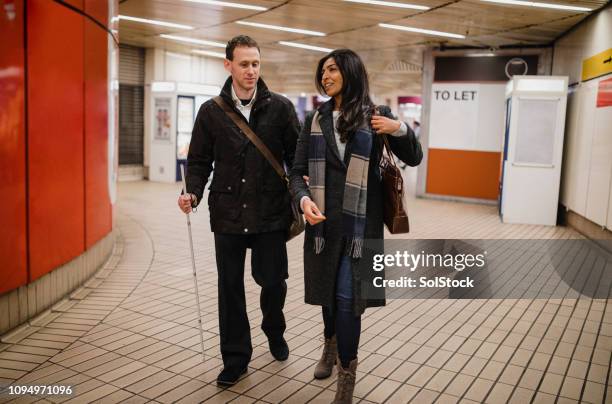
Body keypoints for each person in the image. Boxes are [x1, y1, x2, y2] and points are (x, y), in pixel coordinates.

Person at [289, 49, 422, 403]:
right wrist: (303, 200)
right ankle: (329, 345)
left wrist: (399, 129)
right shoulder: (314, 119)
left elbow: (414, 156)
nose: (325, 76)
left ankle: (346, 374)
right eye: (323, 71)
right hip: (323, 228)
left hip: (361, 230)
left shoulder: (378, 116)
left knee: (349, 299)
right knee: (329, 299)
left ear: (350, 72)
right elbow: (296, 170)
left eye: (332, 70)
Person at [178, 35, 300, 386]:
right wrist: (193, 194)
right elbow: (199, 161)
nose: (251, 70)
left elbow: (296, 158)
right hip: (228, 213)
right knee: (230, 288)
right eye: (244, 63)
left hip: (271, 214)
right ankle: (235, 358)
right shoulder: (211, 111)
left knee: (273, 282)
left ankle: (273, 329)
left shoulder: (280, 108)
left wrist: (301, 191)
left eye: (256, 64)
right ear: (228, 64)